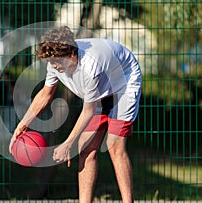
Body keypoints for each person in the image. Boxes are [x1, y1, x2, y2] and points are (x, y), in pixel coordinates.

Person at [9, 26, 142, 203]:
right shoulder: (55, 63)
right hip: (100, 86)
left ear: (71, 54)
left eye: (56, 62)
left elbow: (88, 111)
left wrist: (67, 144)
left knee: (114, 146)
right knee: (85, 148)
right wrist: (21, 126)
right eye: (50, 62)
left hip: (124, 82)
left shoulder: (90, 67)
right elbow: (45, 95)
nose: (53, 66)